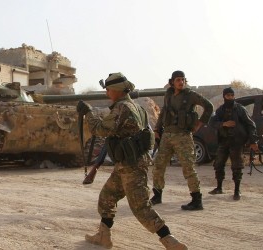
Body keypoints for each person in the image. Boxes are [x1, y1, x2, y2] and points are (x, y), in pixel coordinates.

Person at [77, 72, 187, 250]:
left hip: (131, 165)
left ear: (118, 90)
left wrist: (88, 113)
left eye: (109, 90)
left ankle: (170, 240)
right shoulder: (136, 107)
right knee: (107, 197)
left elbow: (100, 129)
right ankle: (103, 236)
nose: (107, 93)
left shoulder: (122, 108)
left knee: (140, 207)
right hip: (127, 163)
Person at [151, 70, 213, 210]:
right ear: (172, 81)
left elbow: (209, 106)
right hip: (167, 135)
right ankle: (157, 195)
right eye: (178, 80)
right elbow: (163, 112)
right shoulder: (168, 95)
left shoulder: (190, 95)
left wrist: (200, 123)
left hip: (183, 136)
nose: (181, 82)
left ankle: (197, 199)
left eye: (183, 80)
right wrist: (156, 129)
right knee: (158, 166)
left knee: (188, 168)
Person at [208, 87, 259, 200]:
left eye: (232, 95)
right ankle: (219, 187)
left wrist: (253, 141)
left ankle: (237, 190)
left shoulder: (240, 109)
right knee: (218, 164)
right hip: (224, 141)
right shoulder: (221, 109)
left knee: (237, 166)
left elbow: (251, 125)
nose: (230, 97)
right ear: (224, 96)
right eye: (228, 96)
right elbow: (212, 122)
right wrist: (223, 124)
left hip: (236, 142)